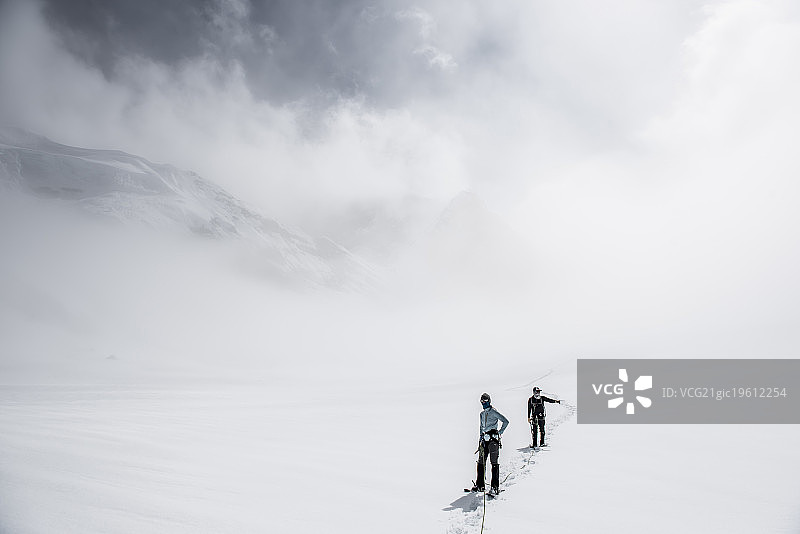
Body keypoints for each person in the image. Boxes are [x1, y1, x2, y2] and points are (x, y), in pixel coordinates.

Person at [470, 393, 509, 496]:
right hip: (484, 440)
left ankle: (495, 487)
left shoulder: (494, 412)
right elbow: (481, 427)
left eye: (485, 401)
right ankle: (480, 485)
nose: (483, 403)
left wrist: (500, 432)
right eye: (482, 401)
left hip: (493, 440)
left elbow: (505, 421)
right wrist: (480, 438)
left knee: (494, 462)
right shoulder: (482, 414)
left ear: (489, 401)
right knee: (481, 461)